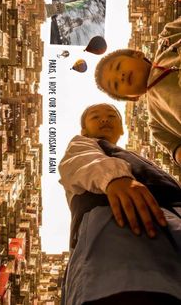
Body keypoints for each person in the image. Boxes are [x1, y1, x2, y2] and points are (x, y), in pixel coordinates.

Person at [59, 103, 181, 305]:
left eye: (111, 115)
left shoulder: (136, 157)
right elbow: (80, 160)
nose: (104, 119)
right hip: (116, 222)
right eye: (95, 117)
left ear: (122, 128)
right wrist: (115, 179)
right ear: (84, 130)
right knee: (134, 290)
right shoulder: (83, 145)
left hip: (171, 220)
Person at [94, 17, 181, 166]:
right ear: (132, 98)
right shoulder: (156, 125)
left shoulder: (168, 37)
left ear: (137, 54)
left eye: (118, 66)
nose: (120, 76)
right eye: (115, 85)